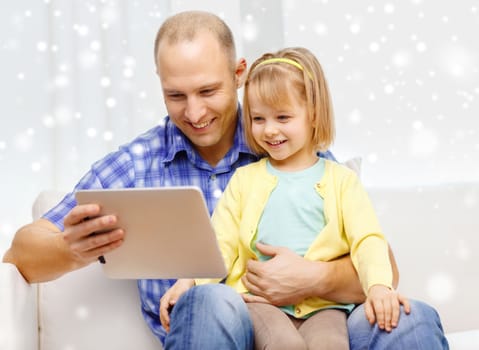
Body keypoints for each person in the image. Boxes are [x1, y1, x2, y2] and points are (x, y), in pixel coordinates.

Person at [2, 10, 449, 350]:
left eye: (208, 91)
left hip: (321, 320)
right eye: (176, 95)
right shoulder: (138, 163)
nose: (193, 114)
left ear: (239, 74)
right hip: (219, 329)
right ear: (158, 85)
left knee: (414, 319)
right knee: (210, 300)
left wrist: (313, 278)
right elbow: (20, 253)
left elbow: (382, 266)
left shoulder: (286, 144)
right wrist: (69, 247)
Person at [159, 47, 411, 349]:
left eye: (283, 117)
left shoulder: (341, 181)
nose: (270, 130)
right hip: (260, 303)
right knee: (284, 345)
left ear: (314, 114)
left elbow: (367, 239)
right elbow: (219, 242)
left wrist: (379, 287)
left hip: (323, 306)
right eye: (258, 118)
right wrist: (189, 281)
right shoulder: (244, 181)